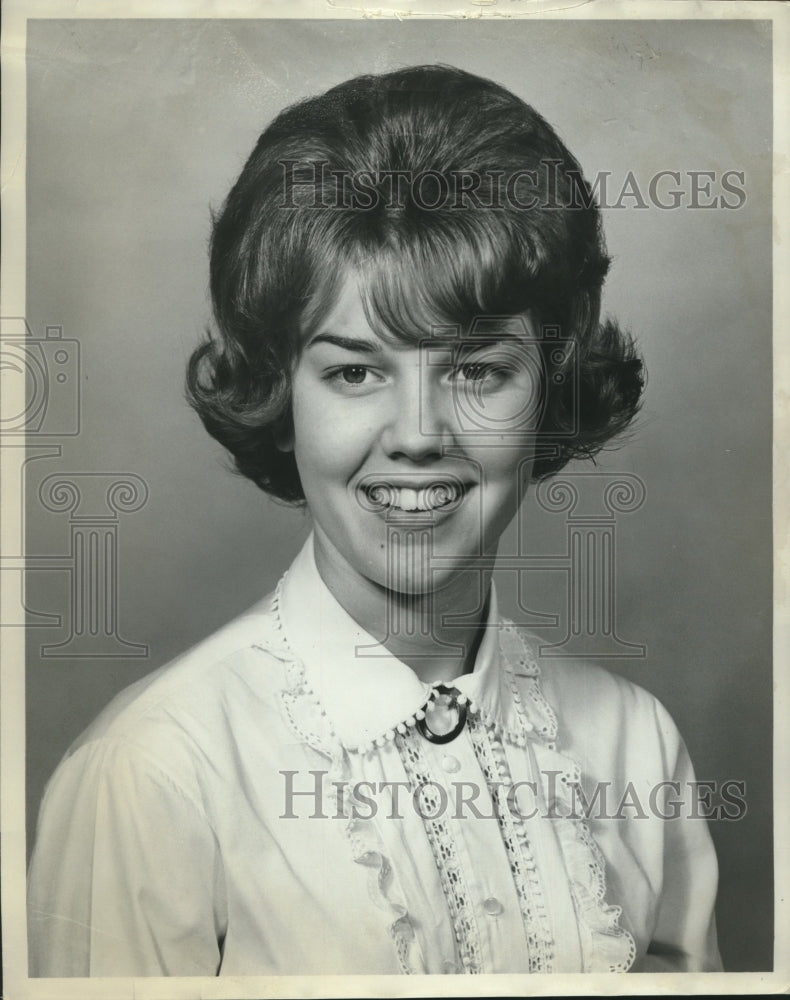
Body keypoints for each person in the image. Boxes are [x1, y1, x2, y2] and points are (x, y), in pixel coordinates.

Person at [27, 64, 722, 976]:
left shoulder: (636, 745)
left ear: (548, 391)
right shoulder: (154, 773)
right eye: (355, 371)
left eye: (477, 370)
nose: (419, 436)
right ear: (281, 392)